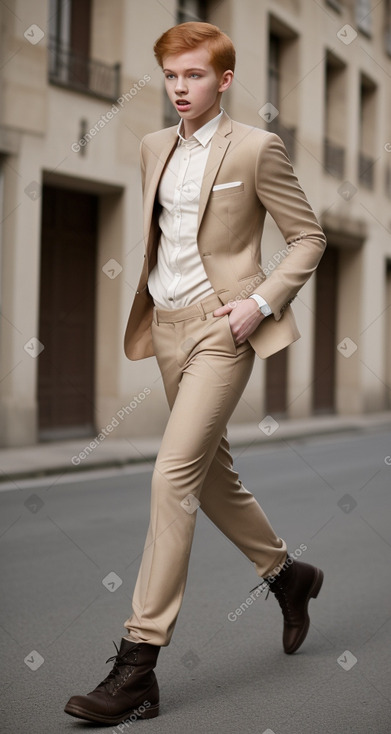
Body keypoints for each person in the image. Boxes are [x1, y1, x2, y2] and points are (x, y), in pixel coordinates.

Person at [64, 21, 326, 725]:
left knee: (171, 474)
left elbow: (308, 236)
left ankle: (137, 663)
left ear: (224, 80)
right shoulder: (153, 147)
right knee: (213, 475)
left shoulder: (255, 148)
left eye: (195, 77)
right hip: (168, 326)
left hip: (222, 329)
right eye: (172, 77)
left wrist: (259, 302)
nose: (181, 89)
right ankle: (287, 575)